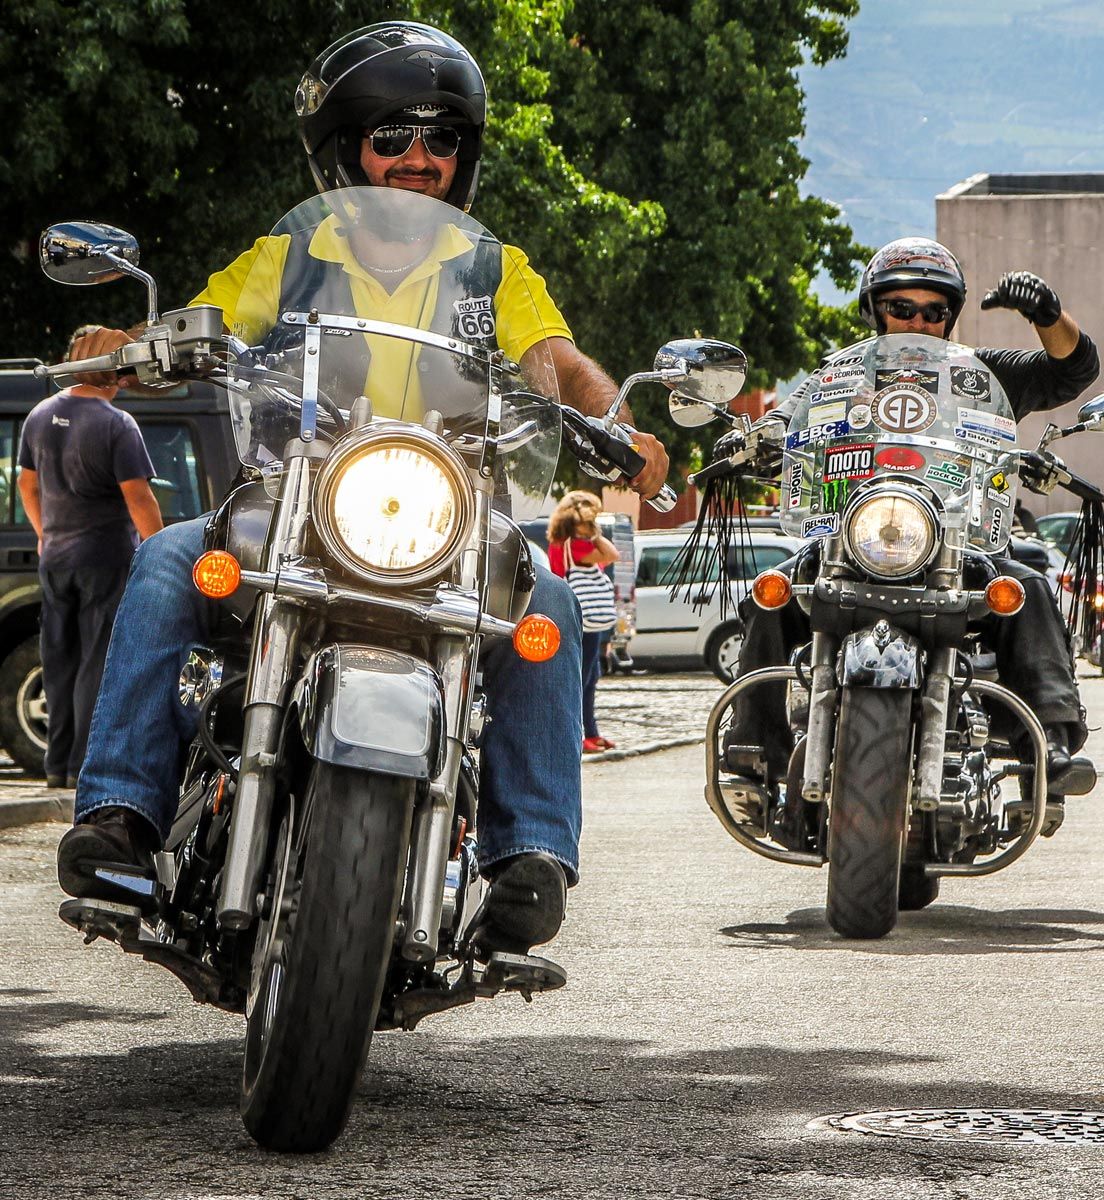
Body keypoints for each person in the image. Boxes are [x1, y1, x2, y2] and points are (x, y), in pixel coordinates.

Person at [54, 22, 669, 955]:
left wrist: (614, 419)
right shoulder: (289, 255)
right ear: (344, 150)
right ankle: (120, 816)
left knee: (546, 595)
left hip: (447, 520)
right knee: (171, 555)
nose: (420, 158)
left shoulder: (493, 267)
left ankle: (527, 854)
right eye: (393, 137)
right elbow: (208, 317)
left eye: (442, 137)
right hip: (297, 503)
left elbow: (556, 356)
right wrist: (129, 348)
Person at [723, 238, 1100, 823]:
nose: (917, 320)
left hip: (955, 544)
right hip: (851, 543)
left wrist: (1047, 315)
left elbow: (1072, 371)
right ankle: (752, 749)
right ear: (875, 310)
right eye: (902, 307)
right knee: (773, 592)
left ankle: (1047, 745)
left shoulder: (984, 375)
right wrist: (759, 437)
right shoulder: (838, 375)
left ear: (950, 316)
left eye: (934, 310)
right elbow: (785, 416)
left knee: (1029, 589)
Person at [17, 327, 165, 789]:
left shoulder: (39, 415)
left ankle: (56, 768)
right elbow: (139, 499)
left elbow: (26, 483)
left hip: (55, 558)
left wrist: (44, 533)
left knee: (58, 661)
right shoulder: (116, 425)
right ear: (113, 374)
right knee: (95, 663)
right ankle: (83, 768)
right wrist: (159, 554)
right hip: (105, 559)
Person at [547, 491, 620, 754]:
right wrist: (596, 536)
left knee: (589, 676)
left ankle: (590, 732)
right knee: (584, 678)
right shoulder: (577, 548)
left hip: (589, 619)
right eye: (588, 523)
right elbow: (612, 554)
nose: (592, 528)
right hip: (584, 620)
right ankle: (580, 734)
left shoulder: (560, 544)